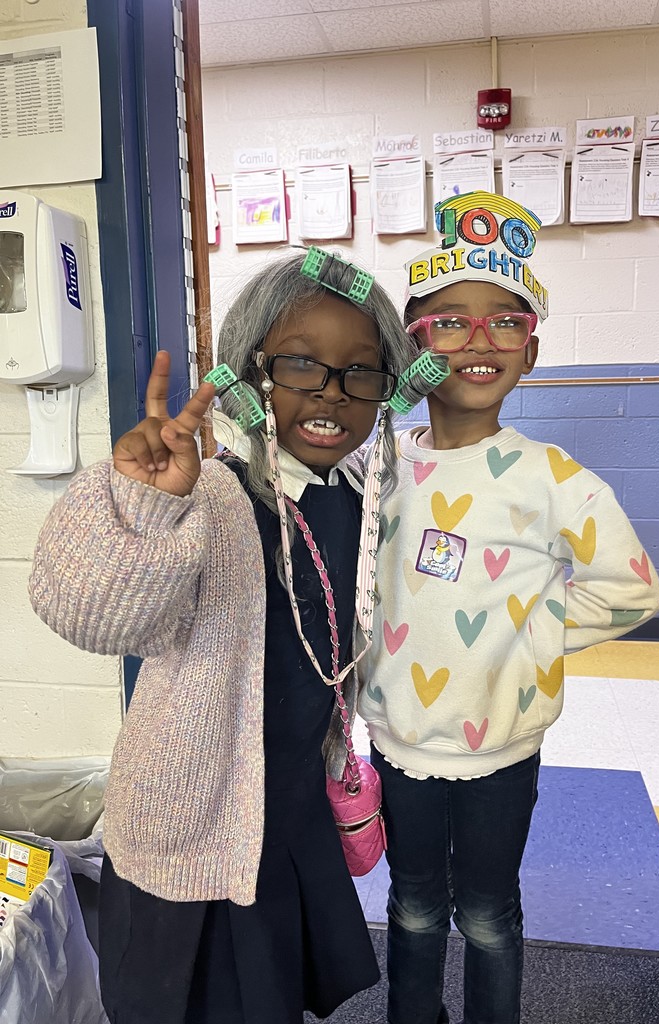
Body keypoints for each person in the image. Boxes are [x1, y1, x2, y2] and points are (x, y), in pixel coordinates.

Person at [28, 248, 415, 1024]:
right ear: (250, 370)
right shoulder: (209, 498)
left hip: (288, 814)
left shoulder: (358, 500)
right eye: (301, 364)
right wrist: (142, 506)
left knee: (269, 994)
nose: (332, 393)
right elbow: (88, 612)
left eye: (360, 372)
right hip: (191, 826)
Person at [357, 191, 659, 1024]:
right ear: (413, 348)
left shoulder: (551, 477)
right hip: (397, 737)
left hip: (502, 742)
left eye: (505, 323)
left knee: (489, 912)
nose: (479, 341)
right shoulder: (378, 468)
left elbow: (632, 586)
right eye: (450, 323)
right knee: (413, 905)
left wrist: (528, 634)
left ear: (530, 352)